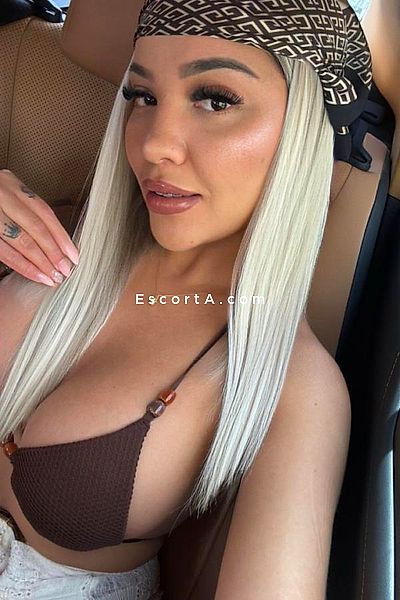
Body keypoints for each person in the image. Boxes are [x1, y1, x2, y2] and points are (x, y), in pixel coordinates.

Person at [0, 0, 374, 598]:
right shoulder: (58, 234)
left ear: (302, 129)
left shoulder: (293, 389)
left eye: (216, 100)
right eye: (143, 97)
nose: (155, 145)